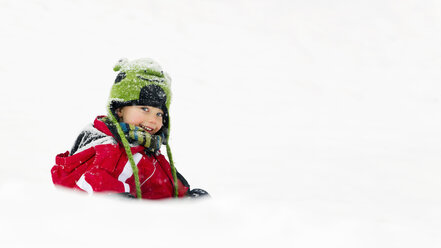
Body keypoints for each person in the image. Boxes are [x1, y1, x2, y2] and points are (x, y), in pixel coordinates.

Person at [51, 58, 209, 199]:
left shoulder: (145, 146)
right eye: (144, 109)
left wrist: (186, 197)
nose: (153, 120)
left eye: (159, 113)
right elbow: (95, 186)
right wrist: (121, 204)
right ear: (119, 109)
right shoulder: (114, 151)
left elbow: (162, 184)